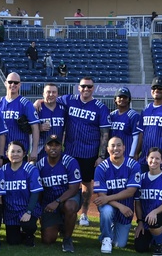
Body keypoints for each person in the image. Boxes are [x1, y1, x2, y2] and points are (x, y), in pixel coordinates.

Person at [57, 76, 110, 227]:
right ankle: (64, 212)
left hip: (89, 153)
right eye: (83, 86)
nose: (86, 89)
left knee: (87, 184)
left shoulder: (100, 107)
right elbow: (51, 98)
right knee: (67, 183)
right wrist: (39, 102)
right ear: (78, 87)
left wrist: (101, 155)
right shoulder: (69, 100)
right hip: (70, 151)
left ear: (94, 88)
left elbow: (104, 133)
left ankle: (84, 213)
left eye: (89, 86)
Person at [93, 136, 141, 253]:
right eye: (112, 146)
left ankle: (109, 230)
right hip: (113, 206)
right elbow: (101, 195)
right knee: (107, 211)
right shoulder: (101, 168)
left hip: (125, 209)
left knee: (120, 244)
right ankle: (106, 238)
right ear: (108, 149)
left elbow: (131, 191)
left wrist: (109, 199)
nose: (116, 148)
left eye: (119, 145)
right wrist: (120, 206)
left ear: (124, 148)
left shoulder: (133, 165)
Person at [37, 135, 81, 251]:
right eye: (50, 145)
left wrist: (57, 201)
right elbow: (39, 190)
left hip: (68, 197)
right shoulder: (40, 164)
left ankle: (67, 239)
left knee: (70, 207)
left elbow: (74, 188)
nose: (53, 148)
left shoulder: (70, 161)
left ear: (61, 147)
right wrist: (41, 211)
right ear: (45, 148)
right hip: (49, 201)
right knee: (48, 239)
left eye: (56, 145)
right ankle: (61, 224)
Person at [134, 147, 162, 256]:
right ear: (146, 158)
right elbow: (138, 203)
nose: (154, 161)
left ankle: (159, 245)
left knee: (153, 220)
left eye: (157, 158)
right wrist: (140, 222)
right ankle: (154, 236)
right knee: (140, 247)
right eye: (151, 157)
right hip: (147, 219)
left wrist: (154, 212)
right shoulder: (141, 179)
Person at [0, 72, 40, 163]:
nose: (13, 85)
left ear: (20, 85)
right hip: (1, 153)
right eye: (10, 82)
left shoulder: (25, 104)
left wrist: (34, 150)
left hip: (20, 153)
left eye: (16, 82)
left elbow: (35, 127)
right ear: (5, 83)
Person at [2, 141, 42, 247]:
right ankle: (21, 234)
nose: (15, 154)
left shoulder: (30, 169)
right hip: (10, 211)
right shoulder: (3, 170)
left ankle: (29, 235)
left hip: (26, 208)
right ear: (7, 154)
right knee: (12, 241)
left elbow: (35, 193)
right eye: (12, 151)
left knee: (28, 225)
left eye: (19, 151)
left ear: (24, 154)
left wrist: (28, 211)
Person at [33, 83, 67, 160]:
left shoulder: (64, 109)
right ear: (43, 94)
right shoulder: (36, 109)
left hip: (58, 151)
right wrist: (39, 128)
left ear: (57, 94)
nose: (51, 94)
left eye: (54, 92)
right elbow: (27, 129)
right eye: (48, 92)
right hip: (40, 151)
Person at [109, 87, 140, 157]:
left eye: (125, 97)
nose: (122, 99)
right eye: (120, 97)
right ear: (115, 99)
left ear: (129, 100)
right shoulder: (111, 115)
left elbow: (136, 137)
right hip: (112, 155)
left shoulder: (134, 115)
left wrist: (131, 155)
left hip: (126, 155)